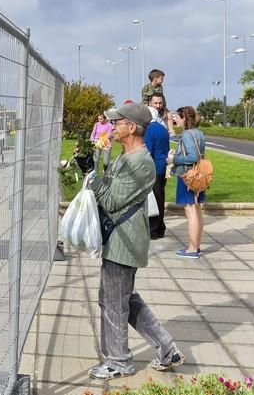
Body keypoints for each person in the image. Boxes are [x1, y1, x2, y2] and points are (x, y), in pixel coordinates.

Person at [86, 102, 184, 380]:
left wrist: (92, 183)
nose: (113, 126)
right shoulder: (124, 158)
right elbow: (110, 186)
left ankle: (119, 362)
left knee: (114, 302)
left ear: (132, 128)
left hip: (124, 243)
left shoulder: (141, 162)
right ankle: (168, 349)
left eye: (118, 123)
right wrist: (95, 164)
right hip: (118, 239)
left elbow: (112, 200)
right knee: (121, 298)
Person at [167, 106, 206, 258]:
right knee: (196, 210)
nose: (176, 119)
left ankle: (192, 248)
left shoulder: (188, 134)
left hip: (188, 176)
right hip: (198, 175)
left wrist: (174, 159)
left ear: (184, 118)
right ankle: (195, 246)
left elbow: (193, 156)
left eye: (178, 117)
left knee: (190, 211)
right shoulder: (198, 133)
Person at [144, 112, 170, 239]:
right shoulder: (163, 128)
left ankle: (153, 230)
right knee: (160, 198)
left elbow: (147, 150)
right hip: (163, 167)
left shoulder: (149, 130)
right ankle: (160, 227)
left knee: (153, 199)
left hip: (153, 167)